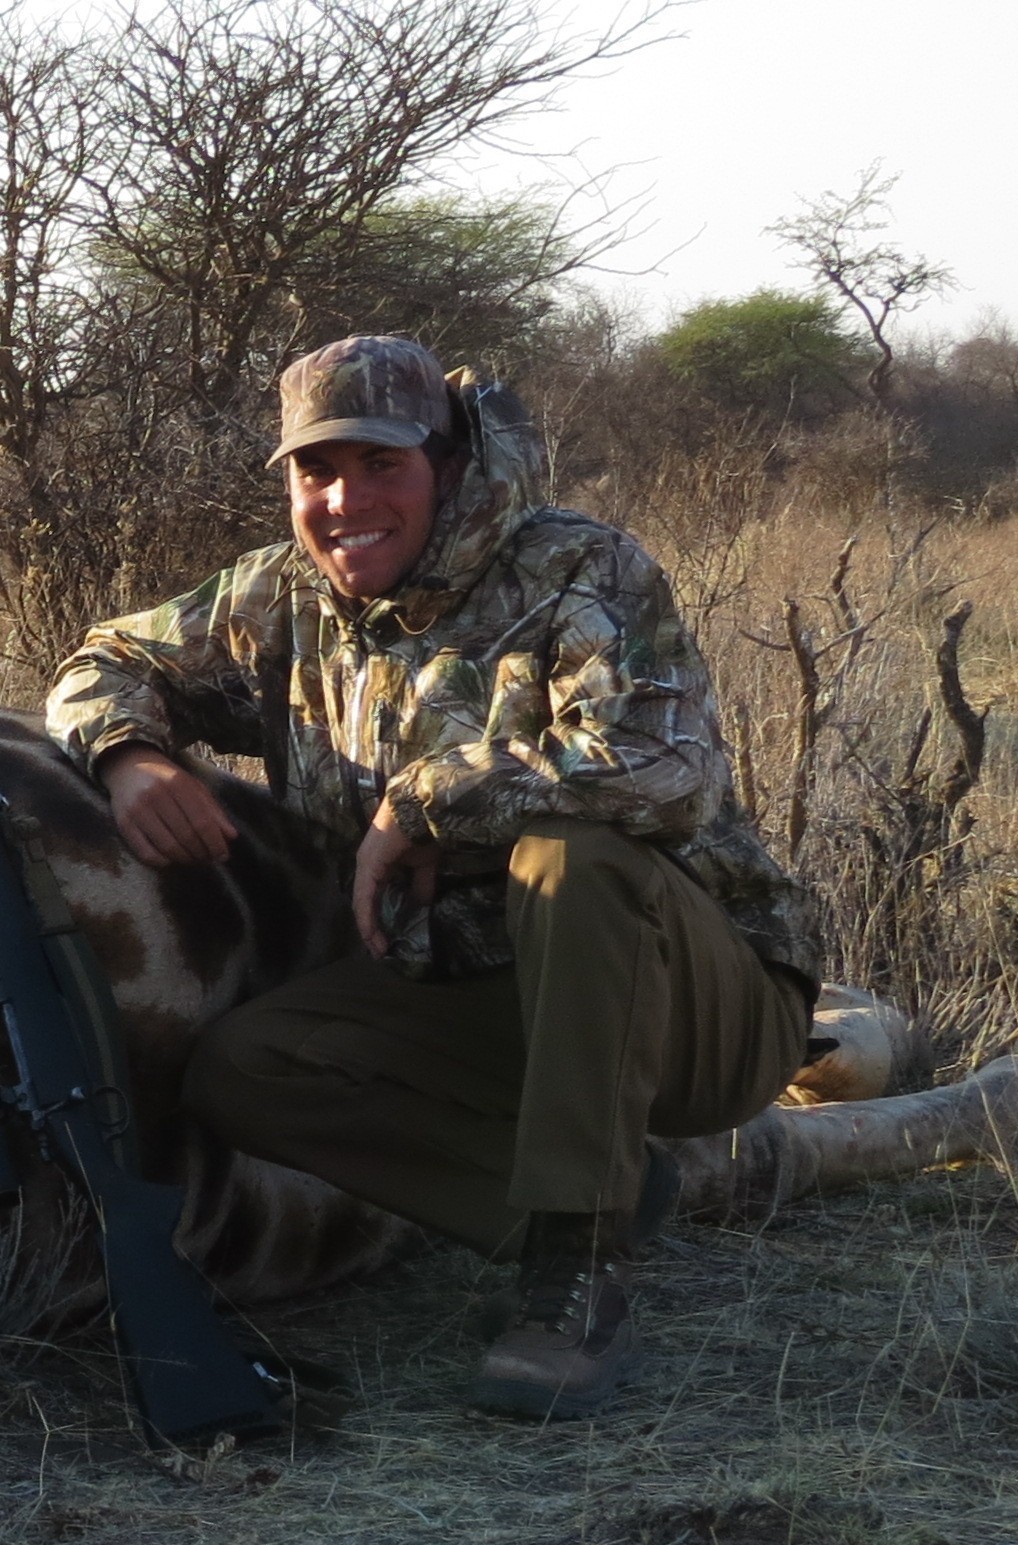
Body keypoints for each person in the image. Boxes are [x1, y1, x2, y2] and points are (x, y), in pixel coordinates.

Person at [43, 334, 816, 1419]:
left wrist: (423, 798)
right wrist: (128, 756)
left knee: (571, 855)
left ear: (447, 465)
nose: (343, 499)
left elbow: (668, 771)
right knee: (244, 1068)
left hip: (697, 1003)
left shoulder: (583, 568)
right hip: (482, 1001)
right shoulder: (281, 596)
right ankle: (586, 1198)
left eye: (378, 464)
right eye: (315, 471)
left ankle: (574, 1281)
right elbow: (101, 659)